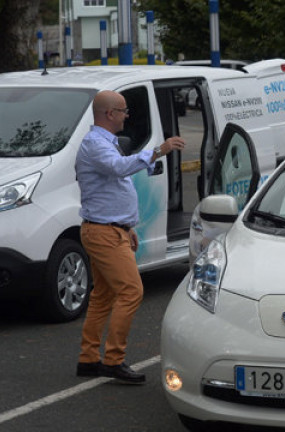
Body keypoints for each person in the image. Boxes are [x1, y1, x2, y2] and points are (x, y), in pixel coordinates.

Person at [75, 90, 185, 384]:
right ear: (109, 114)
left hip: (110, 229)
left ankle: (89, 359)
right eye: (123, 110)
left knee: (103, 296)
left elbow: (112, 186)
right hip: (104, 233)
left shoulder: (104, 143)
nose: (127, 115)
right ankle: (113, 360)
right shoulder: (95, 144)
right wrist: (159, 150)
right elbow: (119, 168)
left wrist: (127, 226)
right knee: (131, 291)